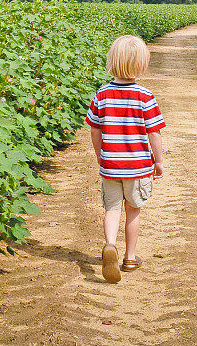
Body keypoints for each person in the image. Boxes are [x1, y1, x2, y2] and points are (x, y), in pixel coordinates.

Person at [85, 34, 166, 283]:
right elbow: (154, 132)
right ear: (141, 64)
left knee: (112, 208)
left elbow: (94, 129)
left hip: (111, 166)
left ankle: (110, 245)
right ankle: (130, 258)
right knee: (133, 210)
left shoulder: (102, 94)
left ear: (112, 61)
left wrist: (101, 156)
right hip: (138, 167)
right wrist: (158, 161)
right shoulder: (145, 96)